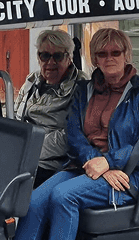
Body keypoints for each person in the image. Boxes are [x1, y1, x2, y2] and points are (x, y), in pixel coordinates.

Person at [14, 28, 139, 240]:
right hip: (86, 167)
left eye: (115, 53)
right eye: (102, 54)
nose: (109, 59)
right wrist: (95, 162)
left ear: (127, 55)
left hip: (128, 177)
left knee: (62, 196)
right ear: (93, 58)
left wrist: (109, 163)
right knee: (34, 200)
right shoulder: (86, 90)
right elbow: (74, 135)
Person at [14, 29, 85, 187]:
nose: (50, 62)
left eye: (57, 56)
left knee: (1, 181)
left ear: (69, 57)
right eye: (44, 55)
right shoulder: (32, 80)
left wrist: (30, 149)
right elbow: (16, 117)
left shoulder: (81, 86)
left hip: (53, 164)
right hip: (21, 154)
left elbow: (71, 136)